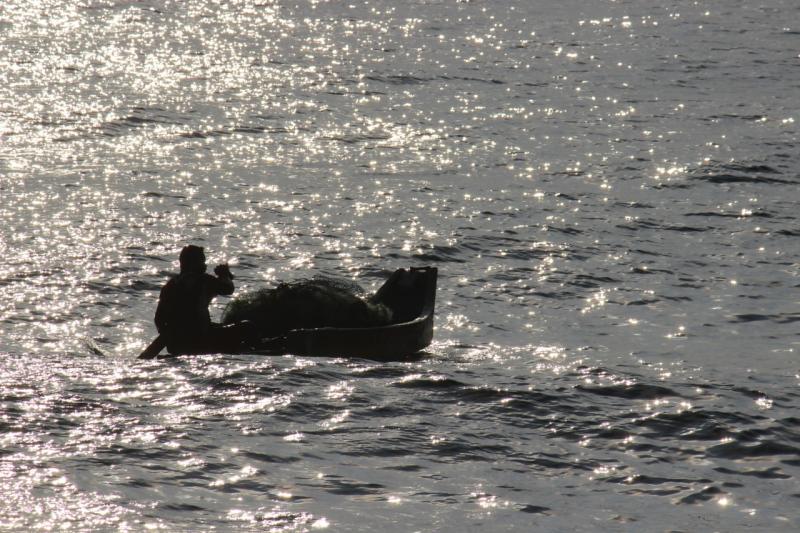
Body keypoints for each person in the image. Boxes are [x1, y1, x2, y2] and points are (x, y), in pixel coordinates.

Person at [154, 245, 248, 355]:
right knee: (247, 326)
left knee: (219, 326)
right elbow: (228, 289)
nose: (205, 265)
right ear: (194, 263)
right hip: (201, 340)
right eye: (202, 261)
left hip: (176, 345)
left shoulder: (170, 285)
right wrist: (224, 274)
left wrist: (169, 336)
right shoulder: (203, 280)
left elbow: (158, 319)